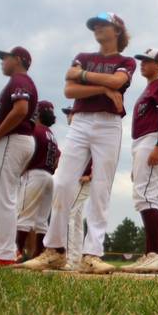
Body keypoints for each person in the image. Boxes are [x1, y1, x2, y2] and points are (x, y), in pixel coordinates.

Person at [22, 12, 135, 274]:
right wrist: (105, 89)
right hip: (81, 119)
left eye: (102, 24)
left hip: (108, 124)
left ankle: (91, 254)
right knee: (62, 182)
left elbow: (118, 81)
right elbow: (69, 91)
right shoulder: (84, 57)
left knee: (101, 187)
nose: (96, 28)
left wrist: (84, 77)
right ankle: (54, 250)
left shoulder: (126, 60)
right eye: (94, 25)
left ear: (117, 30)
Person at [0, 46, 38, 267]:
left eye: (6, 58)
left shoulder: (19, 80)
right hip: (16, 140)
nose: (2, 61)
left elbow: (20, 110)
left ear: (19, 59)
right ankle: (6, 252)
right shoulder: (20, 81)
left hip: (13, 139)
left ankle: (4, 255)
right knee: (0, 197)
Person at [121, 49, 158, 274]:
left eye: (148, 61)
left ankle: (156, 254)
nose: (142, 64)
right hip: (142, 142)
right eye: (142, 61)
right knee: (143, 193)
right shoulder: (148, 88)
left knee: (147, 194)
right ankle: (151, 254)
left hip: (154, 138)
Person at [15, 101, 59, 262]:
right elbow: (57, 158)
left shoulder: (35, 130)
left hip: (34, 174)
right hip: (48, 177)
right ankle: (38, 255)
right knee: (41, 220)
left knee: (23, 216)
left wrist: (20, 171)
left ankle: (16, 251)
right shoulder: (51, 134)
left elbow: (27, 153)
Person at [60, 105, 92, 271]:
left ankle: (69, 258)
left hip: (82, 179)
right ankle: (76, 258)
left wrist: (92, 174)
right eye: (67, 113)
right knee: (77, 218)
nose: (69, 116)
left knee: (69, 214)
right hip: (76, 179)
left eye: (71, 113)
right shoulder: (76, 133)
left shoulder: (85, 132)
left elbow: (97, 152)